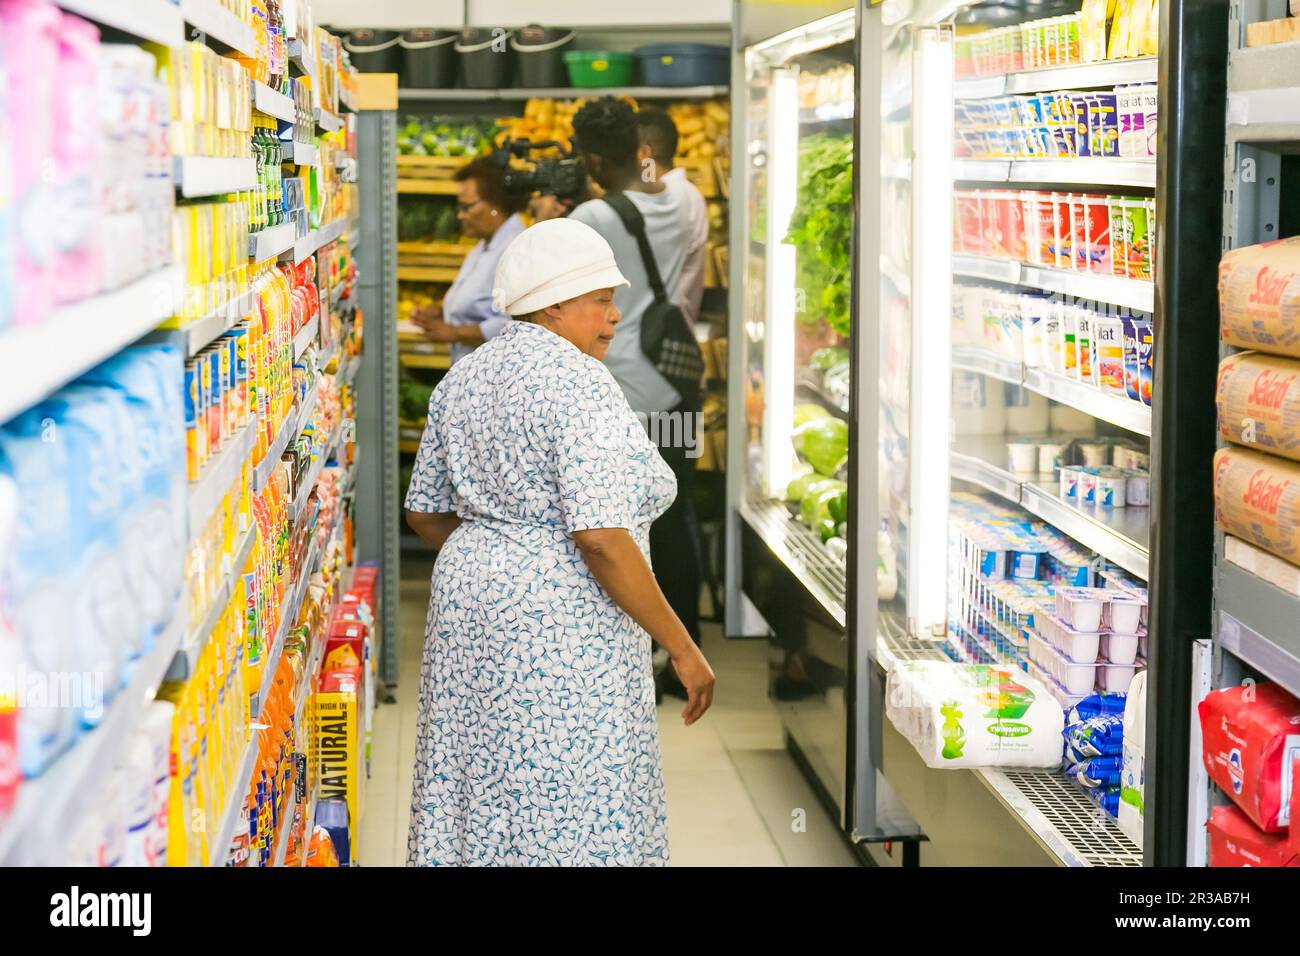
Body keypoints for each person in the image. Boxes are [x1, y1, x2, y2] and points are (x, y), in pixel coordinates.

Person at [404, 217, 716, 867]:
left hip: (469, 601)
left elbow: (426, 513)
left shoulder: (463, 377)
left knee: (481, 775)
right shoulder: (577, 380)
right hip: (560, 619)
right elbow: (600, 536)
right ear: (553, 304)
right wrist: (681, 646)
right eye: (601, 300)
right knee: (566, 782)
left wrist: (498, 550)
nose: (613, 315)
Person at [565, 98, 706, 695]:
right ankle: (685, 640)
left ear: (593, 157)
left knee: (621, 520)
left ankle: (642, 646)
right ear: (641, 149)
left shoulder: (592, 218)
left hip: (622, 389)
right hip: (676, 384)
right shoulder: (682, 199)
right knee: (676, 511)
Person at [411, 156, 527, 364]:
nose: (460, 216)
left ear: (495, 205)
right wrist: (441, 311)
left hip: (496, 374)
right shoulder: (482, 246)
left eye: (467, 207)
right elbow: (480, 304)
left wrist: (455, 332)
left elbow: (518, 323)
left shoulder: (517, 249)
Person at [634, 107, 709, 325]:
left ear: (644, 154)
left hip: (660, 333)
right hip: (670, 327)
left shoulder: (670, 198)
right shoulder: (685, 193)